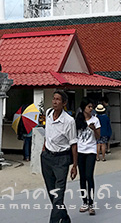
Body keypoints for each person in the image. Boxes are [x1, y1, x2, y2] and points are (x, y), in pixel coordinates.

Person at [41, 90, 78, 222]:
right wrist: (44, 148)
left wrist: (75, 165)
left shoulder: (69, 121)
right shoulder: (49, 113)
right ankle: (65, 218)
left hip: (61, 159)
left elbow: (74, 144)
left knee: (58, 193)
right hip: (47, 157)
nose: (55, 102)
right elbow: (48, 133)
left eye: (58, 100)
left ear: (64, 103)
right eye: (54, 99)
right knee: (52, 192)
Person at [75, 100, 100, 215]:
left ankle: (91, 203)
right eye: (89, 106)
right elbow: (75, 136)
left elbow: (98, 137)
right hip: (80, 151)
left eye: (92, 107)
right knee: (82, 177)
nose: (91, 109)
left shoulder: (95, 120)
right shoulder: (78, 120)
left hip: (91, 151)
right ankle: (84, 201)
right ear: (83, 108)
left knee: (89, 176)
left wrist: (94, 129)